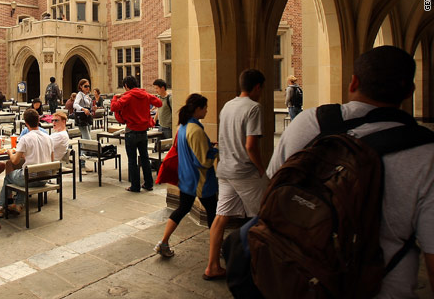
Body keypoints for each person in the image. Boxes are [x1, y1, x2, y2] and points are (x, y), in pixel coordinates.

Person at [266, 46, 434, 297]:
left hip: (303, 280)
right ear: (410, 91)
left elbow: (272, 186)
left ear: (353, 82)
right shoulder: (427, 153)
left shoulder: (309, 123)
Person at [204, 68, 268, 280]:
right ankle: (259, 268)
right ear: (257, 87)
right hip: (244, 171)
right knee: (264, 216)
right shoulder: (254, 108)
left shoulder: (227, 106)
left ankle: (212, 266)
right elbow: (251, 145)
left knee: (221, 217)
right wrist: (261, 168)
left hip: (225, 170)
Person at [154, 94, 219, 257]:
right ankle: (217, 248)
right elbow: (202, 161)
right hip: (200, 181)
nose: (207, 110)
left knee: (182, 209)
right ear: (198, 109)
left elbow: (189, 149)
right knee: (214, 213)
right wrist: (215, 152)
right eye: (205, 107)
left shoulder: (183, 127)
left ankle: (163, 242)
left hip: (186, 178)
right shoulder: (195, 130)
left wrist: (206, 146)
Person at [0, 109, 54, 217]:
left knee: (10, 177)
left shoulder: (25, 138)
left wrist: (10, 152)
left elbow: (15, 160)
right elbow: (52, 160)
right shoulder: (48, 138)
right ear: (38, 120)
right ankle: (18, 204)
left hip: (30, 178)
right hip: (44, 177)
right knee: (21, 173)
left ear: (26, 123)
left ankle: (0, 207)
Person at [110, 76, 162, 192]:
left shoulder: (128, 96)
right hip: (143, 132)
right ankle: (148, 184)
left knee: (132, 160)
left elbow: (114, 107)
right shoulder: (145, 94)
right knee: (145, 158)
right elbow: (159, 103)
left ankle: (135, 186)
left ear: (126, 86)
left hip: (131, 131)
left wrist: (115, 97)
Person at [74, 79, 93, 173]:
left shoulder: (87, 95)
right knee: (87, 141)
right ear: (80, 86)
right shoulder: (79, 94)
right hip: (82, 120)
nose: (87, 88)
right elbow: (75, 105)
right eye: (85, 86)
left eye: (88, 86)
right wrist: (83, 109)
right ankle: (82, 166)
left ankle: (83, 164)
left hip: (87, 119)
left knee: (84, 142)